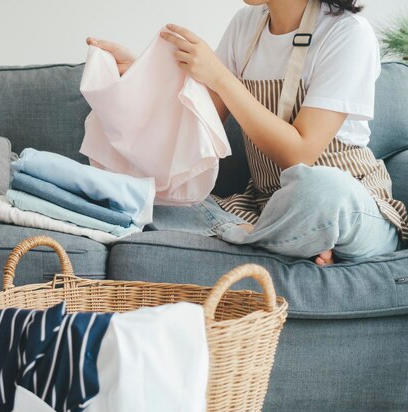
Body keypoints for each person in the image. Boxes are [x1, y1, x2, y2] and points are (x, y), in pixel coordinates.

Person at [85, 0, 408, 266]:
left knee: (320, 188)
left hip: (348, 205)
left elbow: (300, 153)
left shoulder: (348, 33)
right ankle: (294, 241)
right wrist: (139, 74)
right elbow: (200, 118)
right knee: (149, 200)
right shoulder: (246, 24)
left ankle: (248, 236)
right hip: (266, 205)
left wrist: (222, 78)